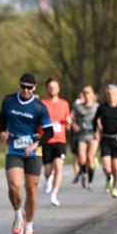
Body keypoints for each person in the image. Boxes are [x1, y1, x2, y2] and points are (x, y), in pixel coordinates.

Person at [0, 73, 53, 234]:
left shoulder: (39, 107)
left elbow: (49, 132)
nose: (26, 90)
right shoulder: (8, 100)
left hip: (33, 150)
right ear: (19, 85)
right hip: (14, 148)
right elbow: (2, 118)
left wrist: (36, 144)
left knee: (31, 188)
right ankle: (17, 214)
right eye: (23, 87)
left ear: (34, 88)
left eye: (30, 88)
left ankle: (29, 226)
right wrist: (2, 132)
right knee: (14, 185)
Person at [41, 77, 72, 206]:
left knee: (58, 167)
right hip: (47, 141)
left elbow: (68, 122)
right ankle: (49, 179)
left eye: (55, 87)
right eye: (50, 87)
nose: (52, 89)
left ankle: (54, 194)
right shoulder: (42, 104)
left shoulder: (64, 103)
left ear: (58, 89)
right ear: (47, 89)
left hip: (60, 140)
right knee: (48, 171)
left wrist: (69, 122)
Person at [96, 84, 117, 199]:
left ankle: (115, 188)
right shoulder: (102, 107)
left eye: (113, 94)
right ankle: (108, 177)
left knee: (116, 167)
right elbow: (95, 120)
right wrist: (96, 129)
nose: (111, 96)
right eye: (108, 94)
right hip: (105, 138)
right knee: (106, 166)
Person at [72, 86, 100, 190]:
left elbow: (99, 121)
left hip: (93, 135)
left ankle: (90, 181)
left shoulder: (97, 107)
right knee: (82, 159)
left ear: (93, 95)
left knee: (90, 158)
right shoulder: (78, 107)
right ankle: (84, 173)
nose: (87, 95)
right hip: (82, 135)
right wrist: (74, 125)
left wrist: (98, 131)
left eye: (89, 93)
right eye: (85, 93)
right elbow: (73, 119)